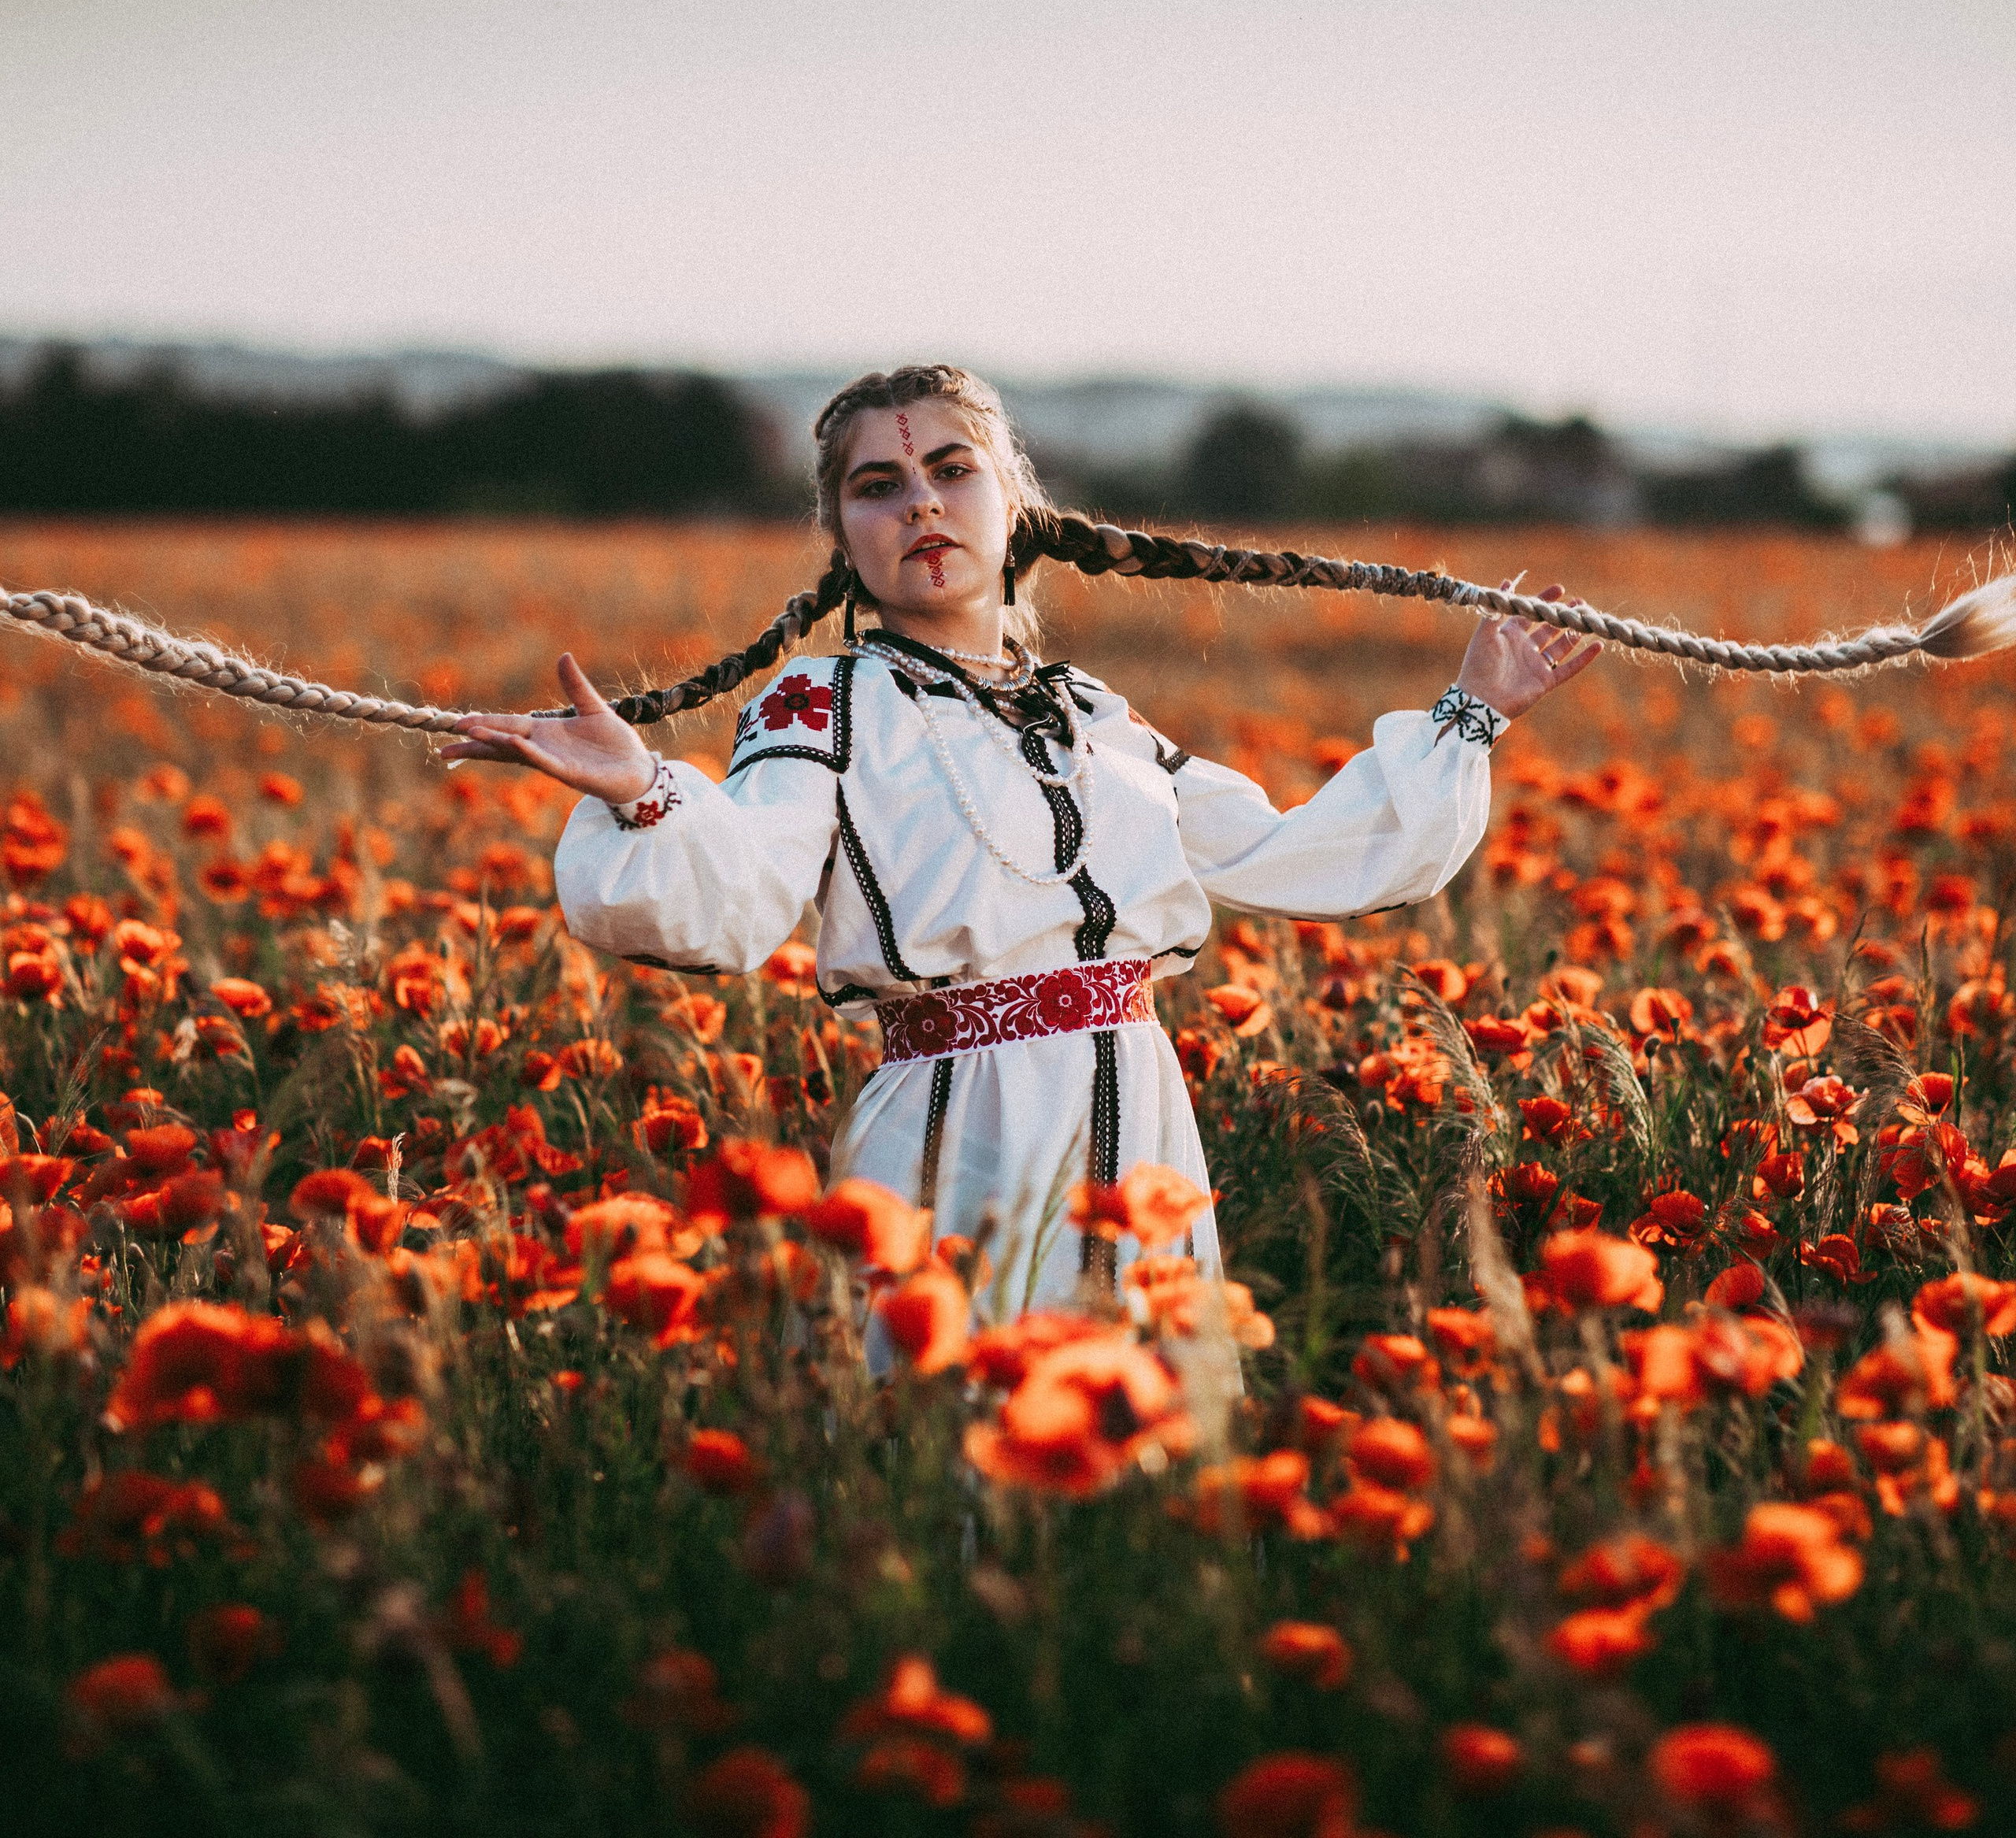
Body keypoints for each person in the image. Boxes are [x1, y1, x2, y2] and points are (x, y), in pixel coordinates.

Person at [439, 365, 1598, 1308]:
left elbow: (1285, 849)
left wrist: (1471, 714)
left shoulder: (1094, 716)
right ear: (843, 537)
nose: (923, 506)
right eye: (879, 488)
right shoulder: (820, 708)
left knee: (1140, 1463)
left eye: (953, 471)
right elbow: (742, 889)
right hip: (955, 1133)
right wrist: (646, 789)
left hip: (1142, 1127)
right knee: (977, 1449)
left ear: (1015, 502)